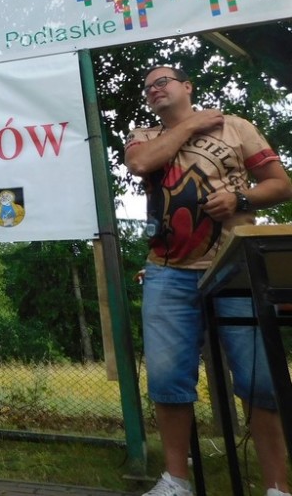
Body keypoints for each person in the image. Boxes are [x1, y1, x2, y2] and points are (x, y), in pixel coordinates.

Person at [125, 65, 292, 496]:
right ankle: (176, 481)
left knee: (259, 380)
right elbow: (140, 163)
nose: (154, 89)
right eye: (148, 87)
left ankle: (277, 486)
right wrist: (193, 123)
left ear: (187, 86)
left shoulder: (236, 127)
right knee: (167, 379)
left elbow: (280, 184)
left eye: (163, 81)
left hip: (235, 265)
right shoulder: (144, 135)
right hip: (167, 271)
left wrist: (241, 198)